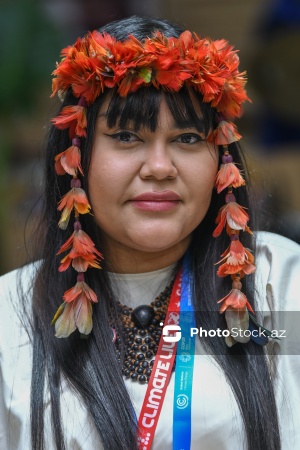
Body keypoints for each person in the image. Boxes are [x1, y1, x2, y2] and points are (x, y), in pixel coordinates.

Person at [0, 15, 300, 450]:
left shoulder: (280, 288)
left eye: (188, 139)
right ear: (76, 155)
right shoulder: (10, 315)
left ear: (222, 160)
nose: (160, 167)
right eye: (126, 136)